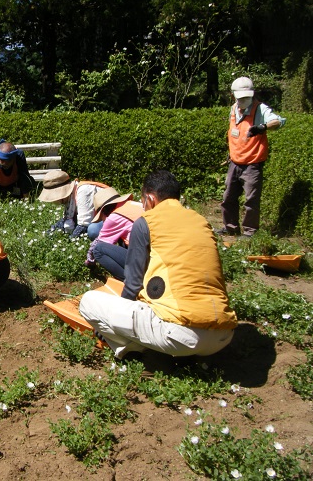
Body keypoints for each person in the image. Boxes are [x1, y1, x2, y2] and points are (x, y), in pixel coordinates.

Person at [79, 170, 237, 359]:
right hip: (224, 334)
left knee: (88, 301)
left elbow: (133, 283)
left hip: (182, 335)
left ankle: (140, 353)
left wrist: (111, 324)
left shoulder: (146, 222)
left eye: (143, 201)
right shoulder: (201, 221)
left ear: (150, 199)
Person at [218, 76, 285, 238]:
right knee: (228, 198)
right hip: (234, 162)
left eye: (247, 97)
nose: (244, 101)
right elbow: (234, 133)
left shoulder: (260, 109)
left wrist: (263, 127)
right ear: (234, 95)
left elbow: (279, 121)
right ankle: (231, 227)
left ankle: (250, 232)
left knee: (251, 201)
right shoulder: (233, 109)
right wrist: (231, 154)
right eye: (241, 98)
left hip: (252, 164)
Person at [85, 187, 143, 281]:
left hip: (144, 259)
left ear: (103, 212)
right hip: (157, 254)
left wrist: (89, 262)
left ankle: (131, 281)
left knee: (98, 250)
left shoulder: (114, 217)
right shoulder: (136, 205)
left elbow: (98, 244)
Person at [38, 169, 107, 238]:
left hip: (112, 219)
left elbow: (84, 225)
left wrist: (69, 241)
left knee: (93, 230)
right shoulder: (71, 197)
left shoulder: (83, 191)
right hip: (100, 218)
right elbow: (66, 220)